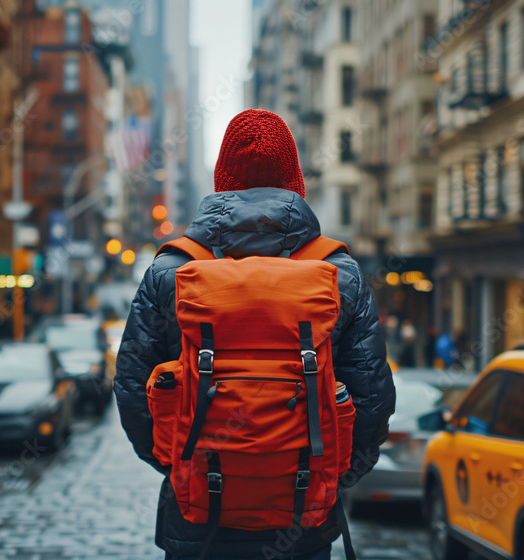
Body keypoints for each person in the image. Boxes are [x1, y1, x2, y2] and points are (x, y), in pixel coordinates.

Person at [115, 109, 395, 560]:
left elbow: (133, 391)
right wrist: (325, 476)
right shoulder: (339, 273)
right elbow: (373, 402)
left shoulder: (171, 271)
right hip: (303, 524)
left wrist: (182, 466)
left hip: (197, 522)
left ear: (222, 182)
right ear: (295, 183)